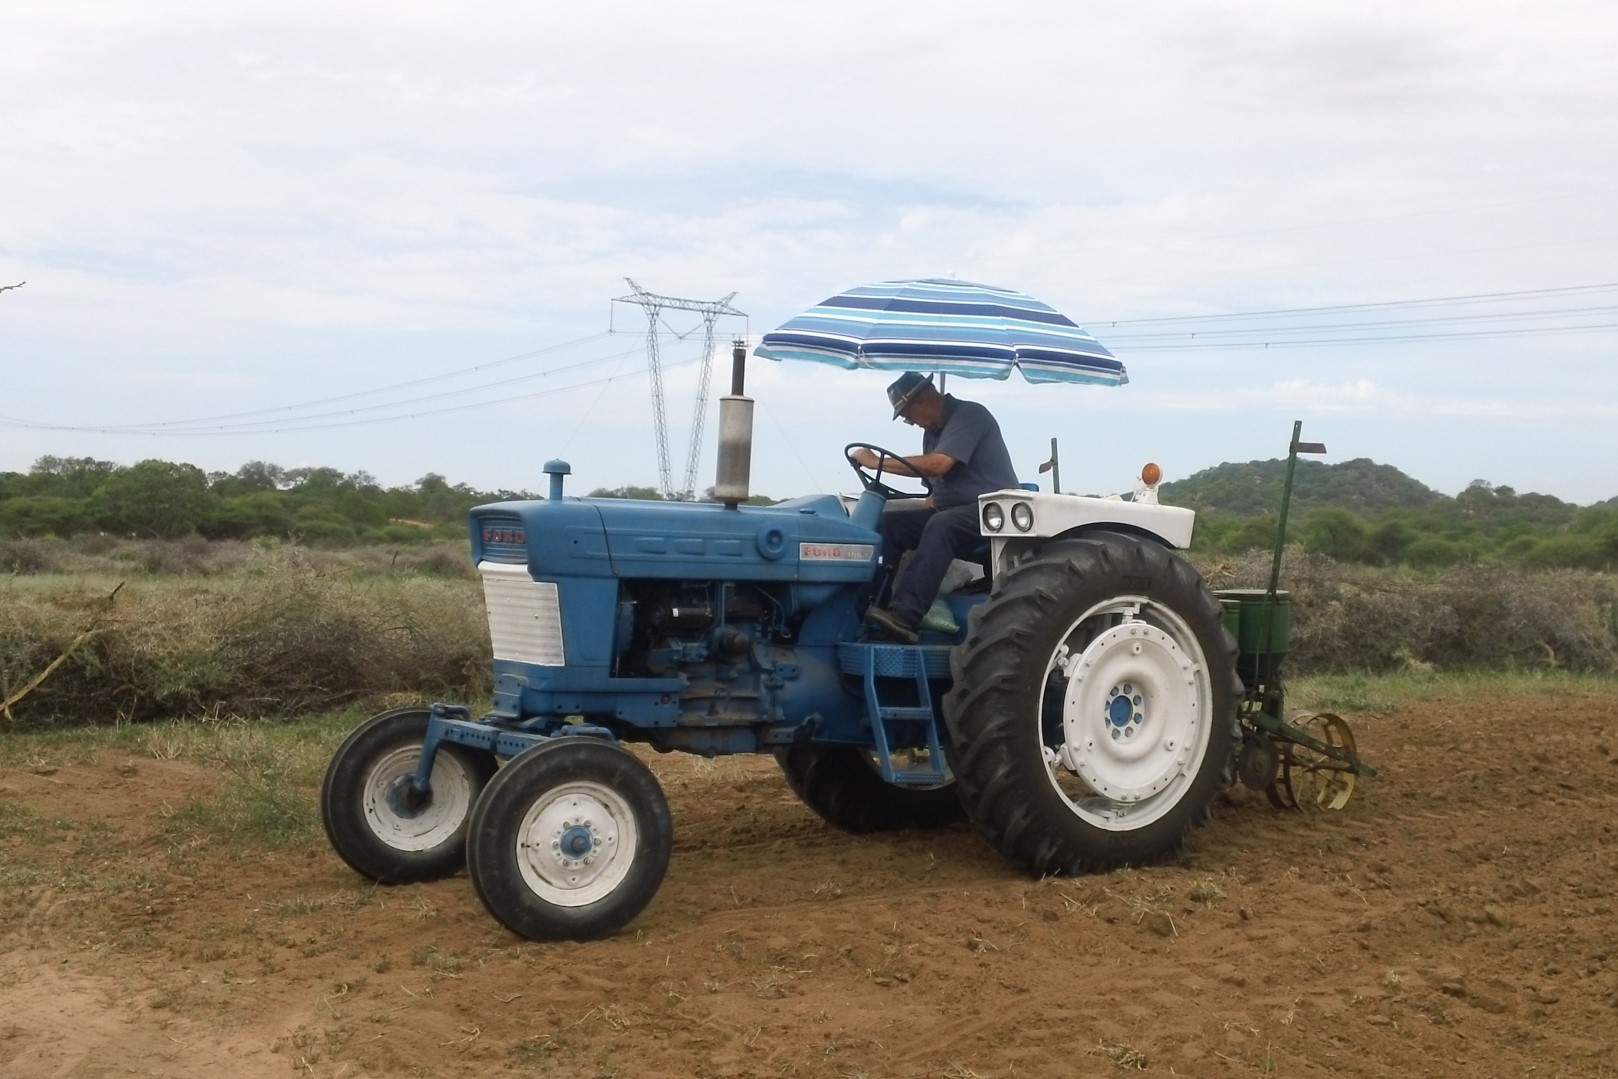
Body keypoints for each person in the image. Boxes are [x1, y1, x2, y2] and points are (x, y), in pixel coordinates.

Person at [853, 372, 1020, 643]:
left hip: (995, 514)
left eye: (906, 413)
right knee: (890, 525)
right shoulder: (931, 434)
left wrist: (877, 463)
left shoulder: (970, 415)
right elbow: (934, 489)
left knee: (942, 524)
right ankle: (868, 607)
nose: (908, 421)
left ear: (922, 399)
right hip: (956, 512)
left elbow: (939, 464)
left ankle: (905, 616)